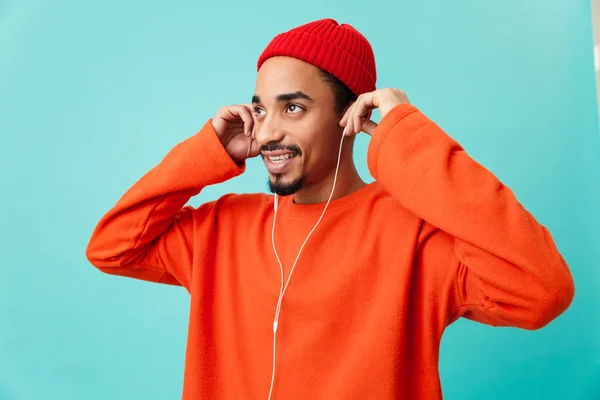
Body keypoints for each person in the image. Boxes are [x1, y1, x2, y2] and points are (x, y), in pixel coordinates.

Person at [85, 18, 575, 400]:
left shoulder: (416, 238)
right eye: (261, 108)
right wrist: (207, 152)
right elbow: (111, 248)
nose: (269, 131)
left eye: (293, 108)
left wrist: (405, 136)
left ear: (350, 114)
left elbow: (542, 290)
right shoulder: (220, 228)